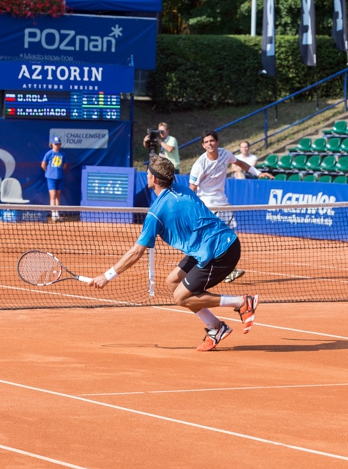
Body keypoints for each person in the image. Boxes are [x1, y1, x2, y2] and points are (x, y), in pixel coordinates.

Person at [89, 156, 259, 352]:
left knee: (181, 297)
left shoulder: (155, 213)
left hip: (219, 251)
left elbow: (136, 252)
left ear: (153, 179)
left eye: (148, 172)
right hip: (208, 246)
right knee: (172, 282)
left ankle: (241, 302)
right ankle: (216, 327)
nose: (146, 174)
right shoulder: (180, 188)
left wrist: (107, 276)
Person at [190, 130, 273, 283]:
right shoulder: (199, 165)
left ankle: (219, 268)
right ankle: (215, 268)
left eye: (212, 141)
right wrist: (190, 208)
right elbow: (192, 188)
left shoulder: (225, 154)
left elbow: (239, 163)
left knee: (226, 237)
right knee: (218, 237)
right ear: (203, 145)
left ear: (217, 142)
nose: (210, 144)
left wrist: (258, 173)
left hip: (223, 203)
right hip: (207, 204)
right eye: (206, 142)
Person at [41, 136, 68, 221]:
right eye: (55, 144)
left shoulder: (63, 154)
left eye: (58, 144)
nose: (57, 146)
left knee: (58, 195)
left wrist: (59, 171)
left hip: (60, 177)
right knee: (52, 196)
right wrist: (49, 172)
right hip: (51, 178)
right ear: (52, 144)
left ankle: (57, 214)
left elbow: (65, 165)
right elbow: (43, 165)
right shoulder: (49, 154)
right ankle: (53, 215)